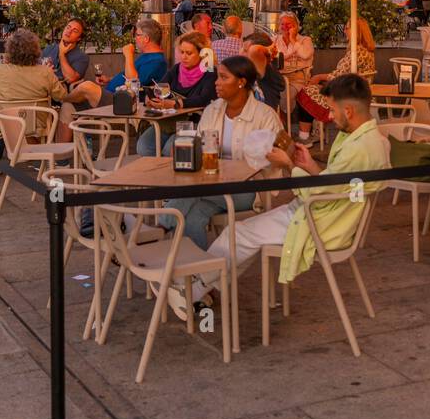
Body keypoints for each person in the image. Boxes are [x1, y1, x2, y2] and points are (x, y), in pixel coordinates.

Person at [166, 72, 388, 320]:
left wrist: (289, 165)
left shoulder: (359, 149)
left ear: (348, 111)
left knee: (236, 234)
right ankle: (199, 287)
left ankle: (192, 289)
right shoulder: (371, 140)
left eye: (332, 111)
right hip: (326, 214)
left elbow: (325, 192)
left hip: (320, 222)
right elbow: (340, 184)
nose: (329, 116)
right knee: (243, 238)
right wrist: (310, 166)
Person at [157, 56, 283, 249]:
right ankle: (199, 275)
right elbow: (199, 146)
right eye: (217, 77)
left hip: (248, 189)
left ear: (241, 82)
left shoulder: (265, 116)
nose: (216, 82)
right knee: (192, 218)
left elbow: (278, 158)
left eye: (224, 78)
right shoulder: (212, 110)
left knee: (189, 192)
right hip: (212, 184)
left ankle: (157, 230)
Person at [0, 27, 69, 159]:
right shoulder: (45, 72)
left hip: (7, 124)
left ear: (10, 50)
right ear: (35, 50)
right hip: (38, 124)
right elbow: (61, 96)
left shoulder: (2, 71)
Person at [293, 18, 376, 143]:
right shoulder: (366, 50)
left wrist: (319, 77)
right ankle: (314, 132)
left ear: (356, 31)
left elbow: (340, 76)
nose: (344, 30)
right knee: (312, 89)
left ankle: (305, 137)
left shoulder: (356, 52)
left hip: (347, 95)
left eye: (347, 27)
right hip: (355, 91)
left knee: (305, 92)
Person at [135, 32, 218, 156]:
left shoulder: (210, 72)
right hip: (168, 121)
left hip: (193, 123)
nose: (184, 57)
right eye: (182, 52)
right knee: (144, 147)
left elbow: (204, 99)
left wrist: (176, 103)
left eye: (189, 53)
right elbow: (160, 87)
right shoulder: (176, 69)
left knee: (170, 151)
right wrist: (150, 97)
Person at [105, 17, 168, 93]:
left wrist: (128, 54)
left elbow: (133, 82)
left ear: (146, 38)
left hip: (122, 99)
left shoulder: (157, 61)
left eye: (137, 35)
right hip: (116, 93)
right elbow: (128, 75)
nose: (135, 38)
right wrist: (109, 79)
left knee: (88, 87)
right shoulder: (148, 56)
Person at [273, 11, 314, 94]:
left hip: (298, 79)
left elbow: (305, 55)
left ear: (296, 26)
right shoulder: (274, 40)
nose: (285, 27)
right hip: (278, 77)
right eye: (282, 24)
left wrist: (293, 39)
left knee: (285, 95)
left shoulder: (306, 40)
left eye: (288, 24)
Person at [242, 30, 284, 111]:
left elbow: (254, 50)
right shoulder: (248, 70)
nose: (241, 53)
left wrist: (269, 49)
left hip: (262, 120)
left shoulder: (267, 70)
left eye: (246, 50)